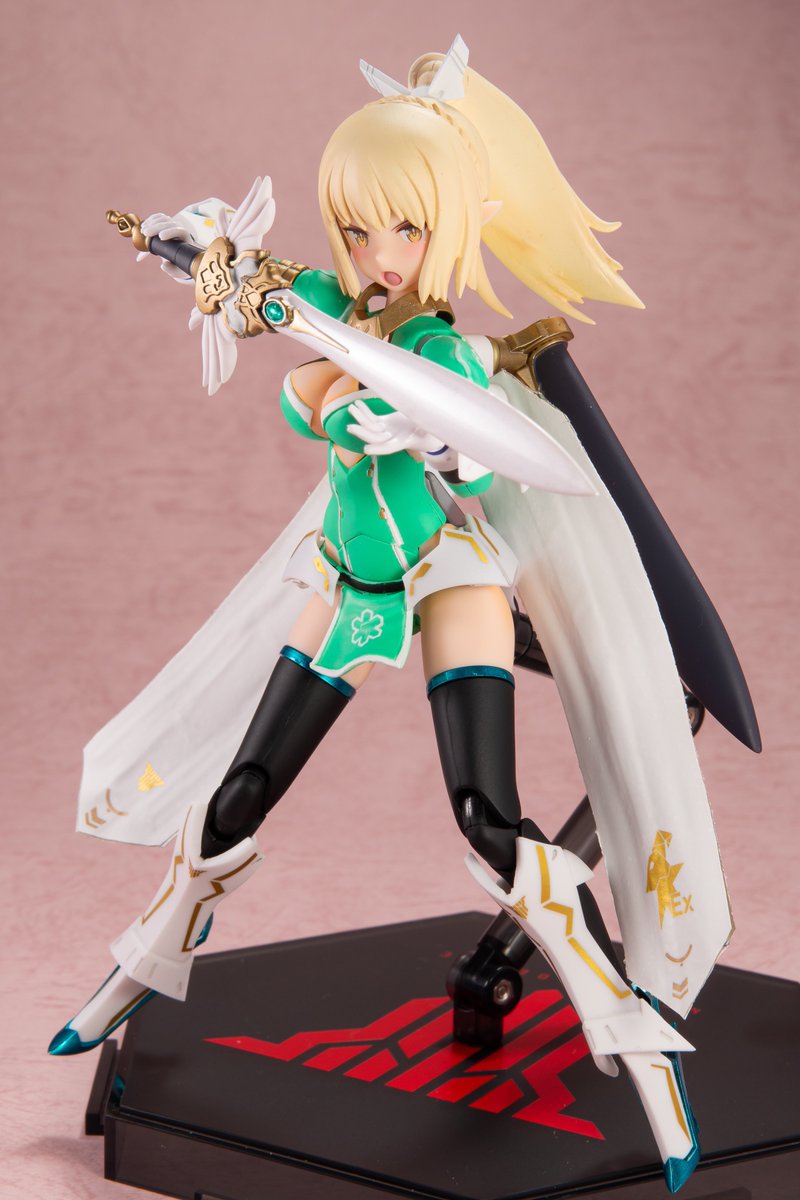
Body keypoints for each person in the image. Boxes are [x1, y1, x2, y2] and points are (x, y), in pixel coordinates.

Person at [51, 37, 725, 1190]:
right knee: (240, 793)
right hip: (353, 583)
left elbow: (478, 441)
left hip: (446, 572)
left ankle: (634, 1039)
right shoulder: (319, 302)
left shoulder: (439, 346)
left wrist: (442, 434)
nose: (378, 252)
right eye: (358, 227)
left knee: (484, 820)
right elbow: (273, 326)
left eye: (405, 227)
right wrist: (205, 254)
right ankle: (142, 964)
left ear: (448, 225)